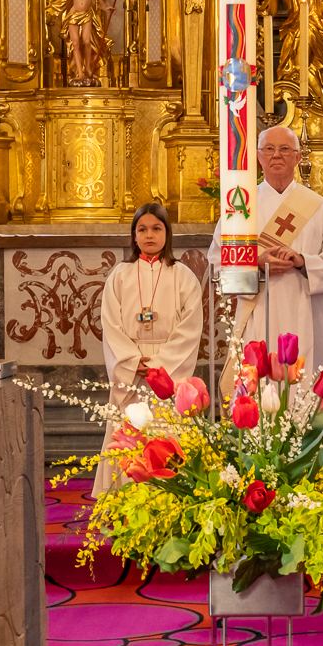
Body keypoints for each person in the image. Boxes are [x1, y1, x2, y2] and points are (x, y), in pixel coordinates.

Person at [208, 125, 323, 395]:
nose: (277, 155)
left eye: (285, 149)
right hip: (257, 312)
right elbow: (218, 268)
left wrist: (303, 262)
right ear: (259, 156)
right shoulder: (239, 207)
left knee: (303, 392)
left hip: (307, 313)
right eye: (269, 149)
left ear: (298, 157)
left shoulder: (319, 208)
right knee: (259, 393)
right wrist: (256, 263)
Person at [94, 202, 204, 495]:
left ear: (167, 233)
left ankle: (171, 497)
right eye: (142, 229)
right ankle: (125, 499)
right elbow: (110, 324)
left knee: (166, 435)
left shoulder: (183, 276)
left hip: (168, 371)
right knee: (129, 438)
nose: (149, 235)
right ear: (134, 235)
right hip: (131, 368)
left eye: (156, 228)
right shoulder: (120, 275)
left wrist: (159, 367)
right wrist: (130, 361)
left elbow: (190, 328)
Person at [45, 0, 116, 85]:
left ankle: (88, 69)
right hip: (73, 15)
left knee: (87, 41)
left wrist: (107, 8)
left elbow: (101, 4)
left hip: (87, 16)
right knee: (75, 43)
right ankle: (80, 72)